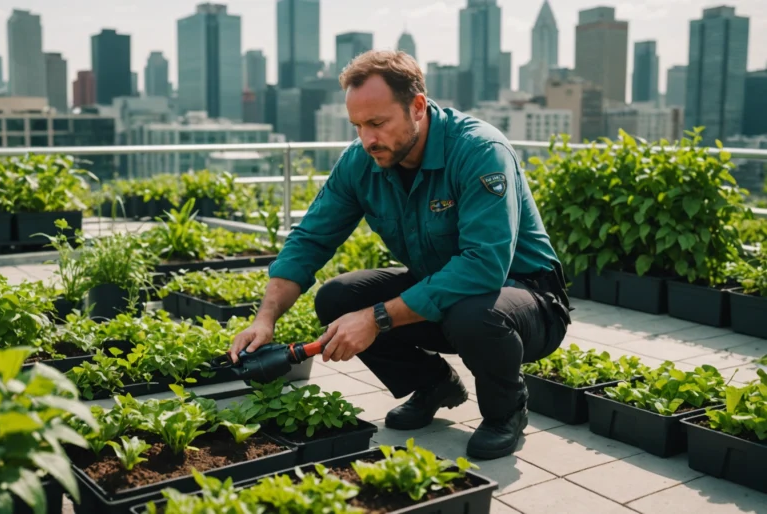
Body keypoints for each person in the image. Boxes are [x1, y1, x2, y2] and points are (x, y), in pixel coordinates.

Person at [229, 50, 572, 460]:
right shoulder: (361, 161)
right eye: (357, 126)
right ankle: (433, 384)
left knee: (470, 311)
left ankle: (506, 412)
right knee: (338, 298)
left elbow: (484, 266)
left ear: (417, 107)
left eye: (377, 123)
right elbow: (310, 240)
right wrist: (265, 318)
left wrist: (377, 319)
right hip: (443, 290)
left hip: (525, 299)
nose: (367, 139)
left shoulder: (479, 150)